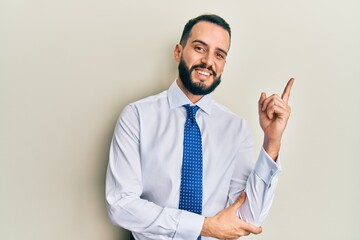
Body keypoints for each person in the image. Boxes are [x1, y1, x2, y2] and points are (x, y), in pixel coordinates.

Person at [106, 14, 294, 240]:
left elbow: (248, 218)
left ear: (224, 65)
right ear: (178, 52)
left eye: (219, 54)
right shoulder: (137, 116)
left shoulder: (236, 128)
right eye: (199, 48)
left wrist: (272, 141)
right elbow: (121, 205)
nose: (208, 61)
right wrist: (203, 226)